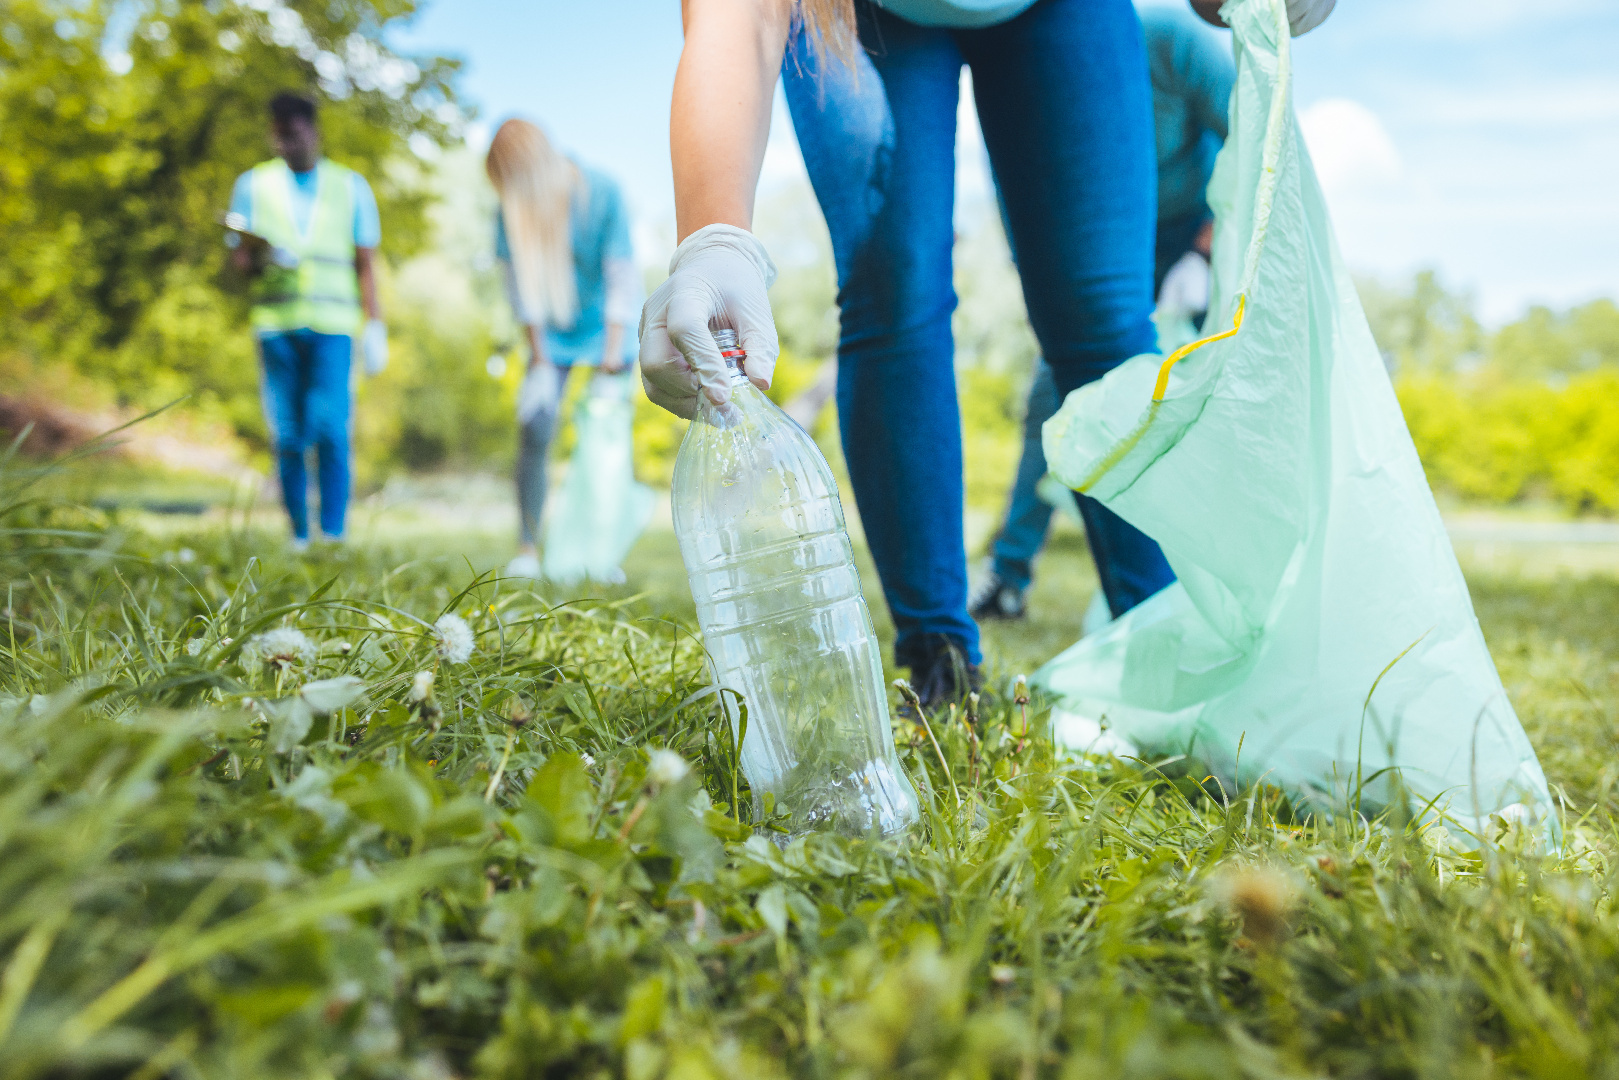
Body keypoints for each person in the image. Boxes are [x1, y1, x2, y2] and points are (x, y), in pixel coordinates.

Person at [639, 0, 1334, 707]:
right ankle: (938, 658)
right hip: (865, 14)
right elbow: (739, 14)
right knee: (895, 289)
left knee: (1101, 321)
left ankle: (1173, 650)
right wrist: (713, 239)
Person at [970, 1, 1232, 622]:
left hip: (1201, 233)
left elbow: (1253, 130)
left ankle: (1224, 571)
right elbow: (1024, 188)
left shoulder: (1169, 43)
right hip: (1116, 243)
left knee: (1218, 395)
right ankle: (1009, 573)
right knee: (1056, 390)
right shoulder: (1034, 69)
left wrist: (1214, 236)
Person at [227, 91, 387, 551]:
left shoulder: (350, 186)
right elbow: (238, 263)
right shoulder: (252, 186)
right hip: (276, 325)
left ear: (312, 132)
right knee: (289, 435)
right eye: (279, 138)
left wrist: (375, 324)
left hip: (335, 327)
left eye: (294, 136)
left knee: (331, 429)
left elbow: (365, 263)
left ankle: (333, 532)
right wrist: (261, 258)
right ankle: (298, 532)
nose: (287, 146)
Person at [484, 119, 641, 579]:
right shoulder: (508, 213)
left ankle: (601, 553)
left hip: (607, 329)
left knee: (606, 445)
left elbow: (622, 276)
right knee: (535, 430)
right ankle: (527, 548)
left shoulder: (603, 192)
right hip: (550, 337)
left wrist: (613, 352)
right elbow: (520, 292)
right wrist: (539, 357)